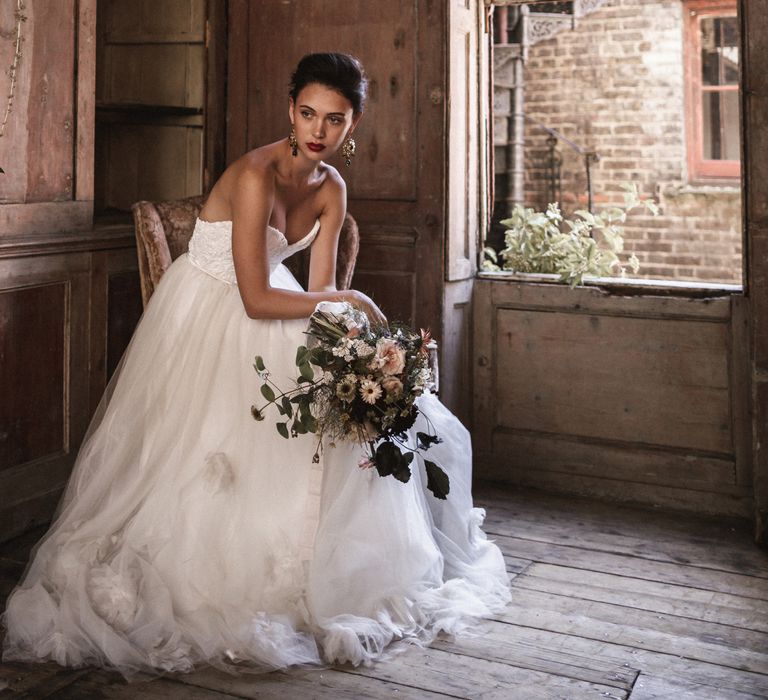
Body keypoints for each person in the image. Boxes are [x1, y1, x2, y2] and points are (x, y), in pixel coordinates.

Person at [2, 53, 510, 679]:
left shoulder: (332, 187)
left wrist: (351, 336)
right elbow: (255, 298)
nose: (319, 131)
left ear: (354, 126)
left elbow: (318, 286)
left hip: (277, 297)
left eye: (336, 120)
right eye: (307, 114)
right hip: (213, 304)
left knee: (344, 389)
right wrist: (352, 301)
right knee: (243, 435)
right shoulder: (254, 176)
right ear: (289, 109)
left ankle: (331, 561)